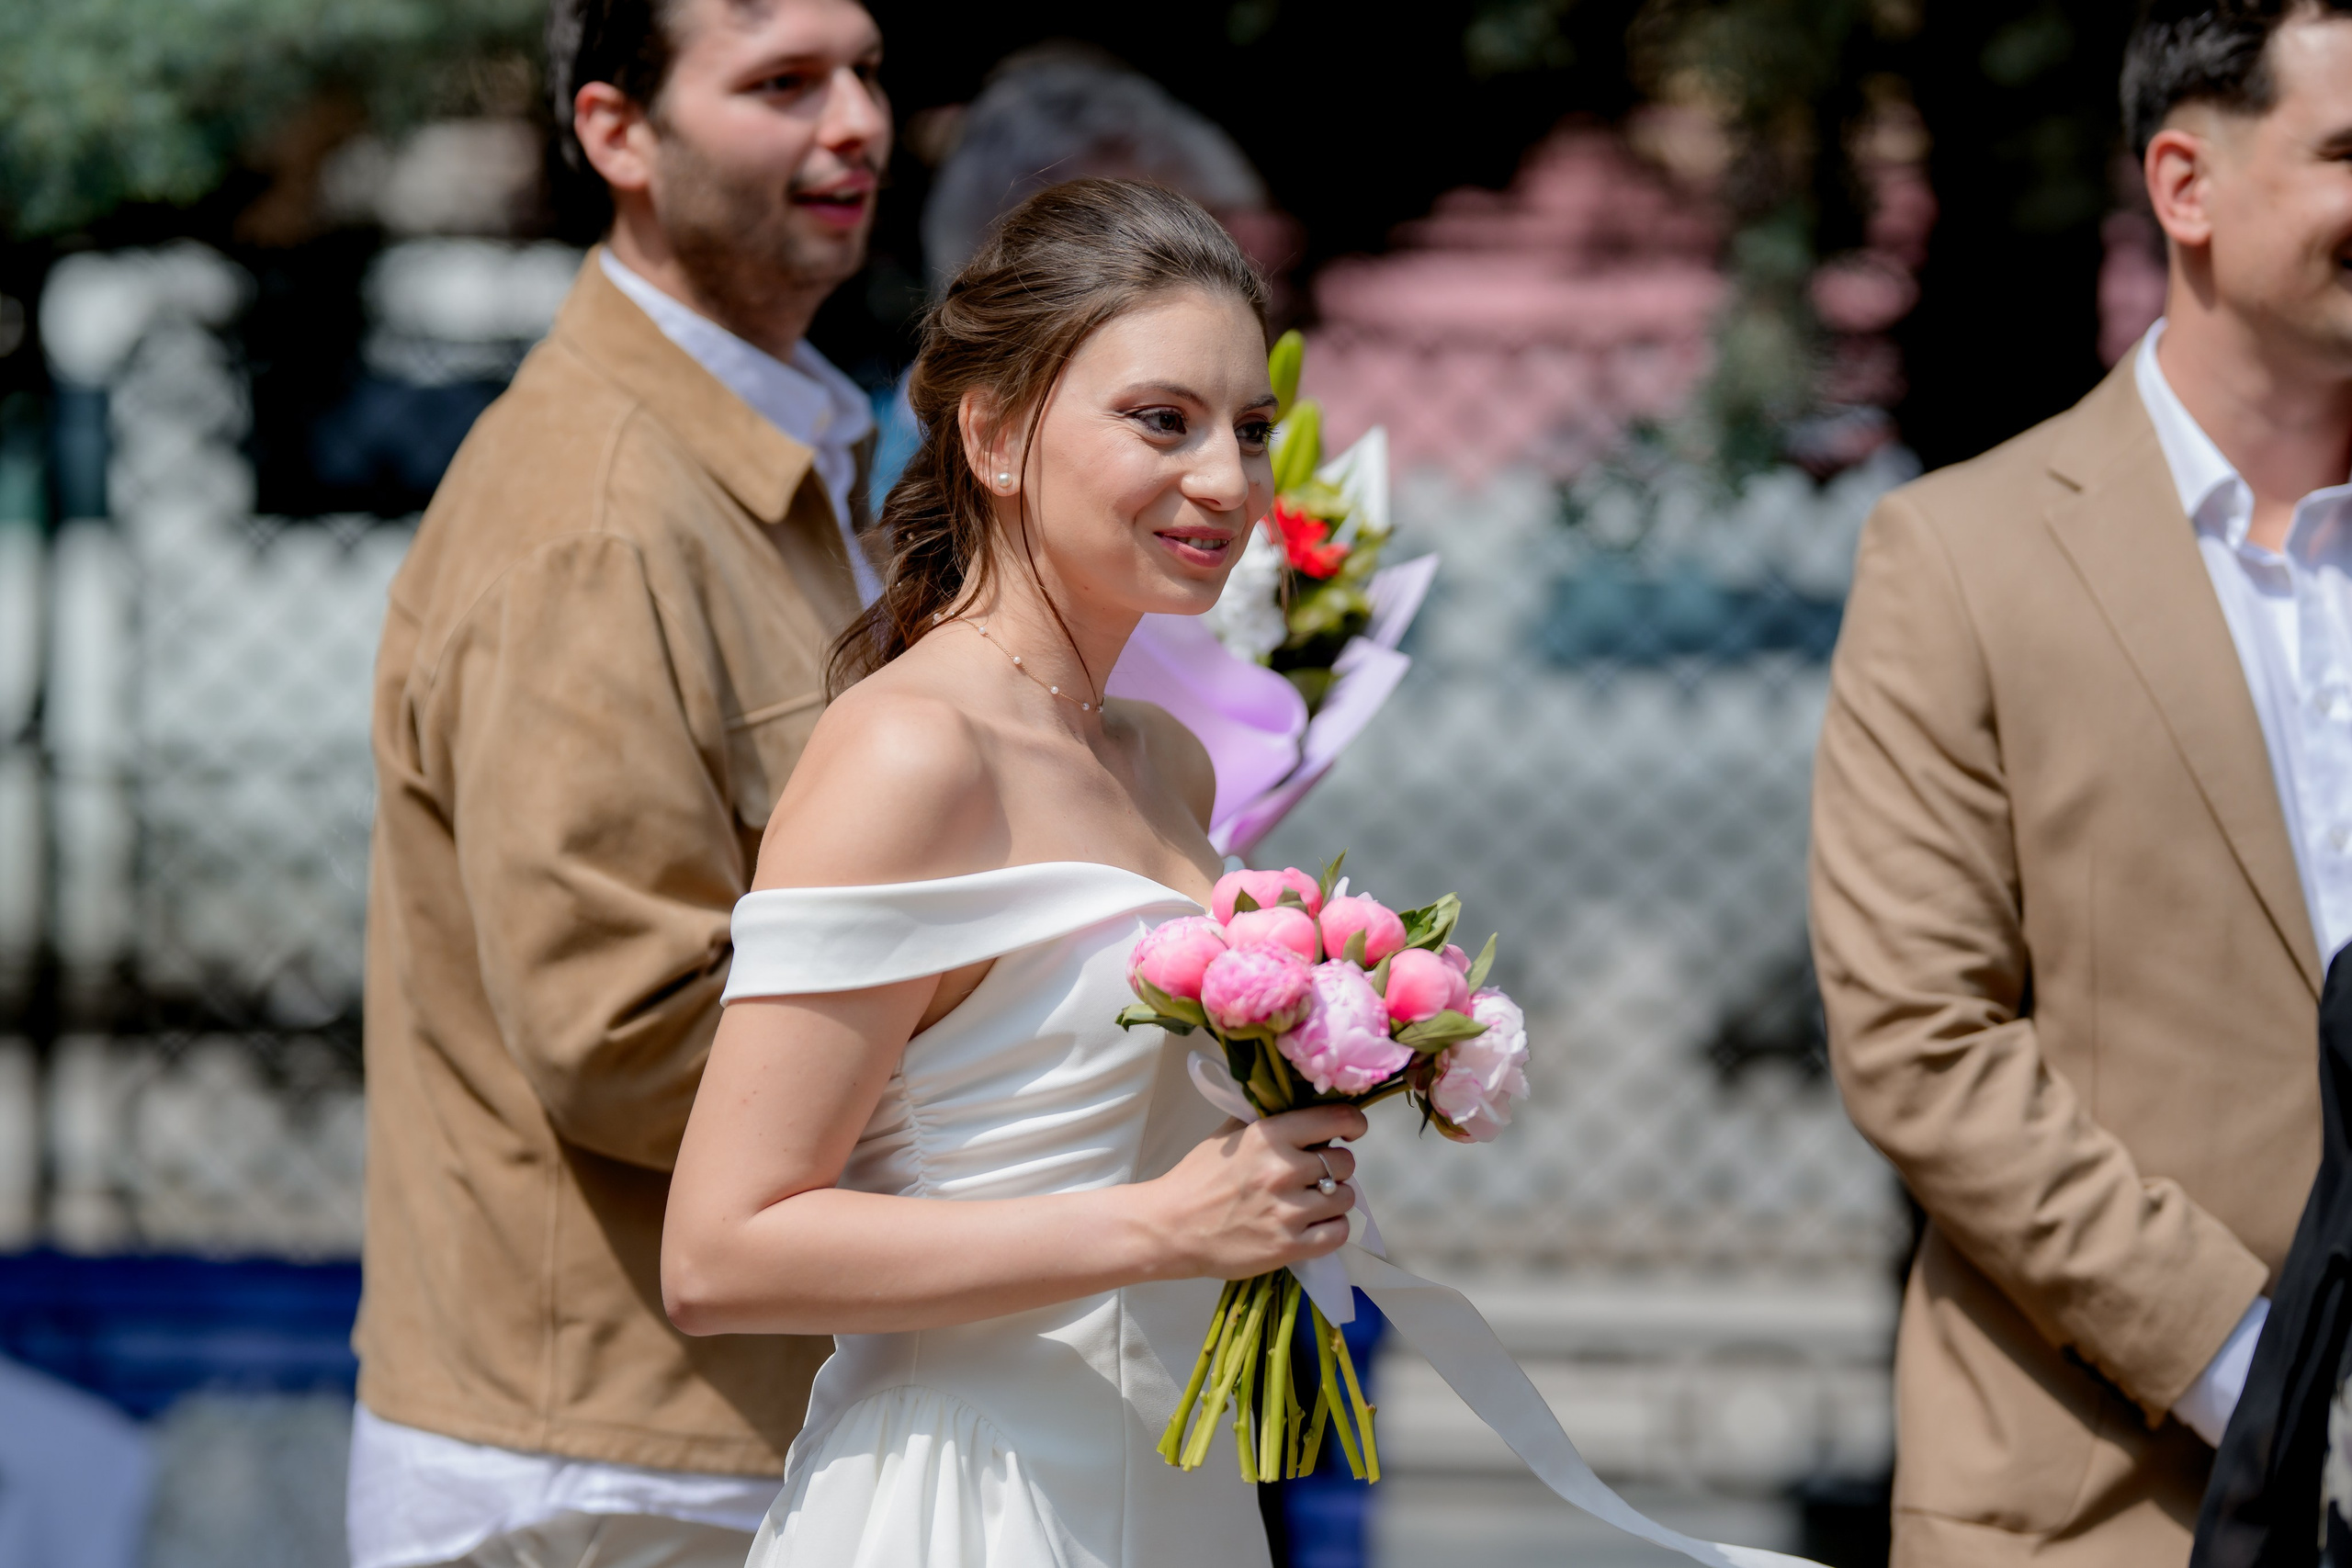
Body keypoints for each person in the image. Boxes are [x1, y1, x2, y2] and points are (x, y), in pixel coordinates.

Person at [657, 177, 1351, 1566]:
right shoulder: (912, 753)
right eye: (1163, 420)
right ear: (996, 433)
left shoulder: (1168, 762)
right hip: (967, 1500)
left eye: (1252, 428)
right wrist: (1161, 1225)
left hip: (1174, 1485)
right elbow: (722, 1252)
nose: (1227, 478)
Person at [346, 1, 889, 1564]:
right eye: (783, 83)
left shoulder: (772, 455)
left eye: (865, 70)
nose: (852, 121)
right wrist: (1024, 1059)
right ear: (616, 135)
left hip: (710, 1439)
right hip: (610, 1475)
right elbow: (626, 1030)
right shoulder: (600, 514)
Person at [1809, 0, 2352, 1562]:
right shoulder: (1962, 560)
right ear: (2186, 185)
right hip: (2113, 1493)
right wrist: (2268, 1374)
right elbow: (1921, 1041)